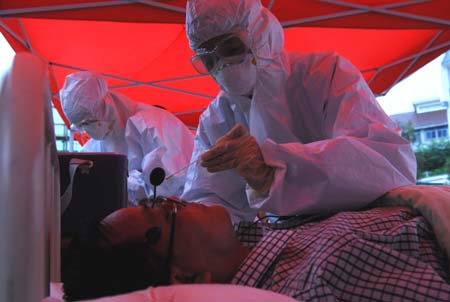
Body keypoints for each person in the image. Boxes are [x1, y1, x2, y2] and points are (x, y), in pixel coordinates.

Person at [181, 0, 417, 223]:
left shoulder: (325, 74)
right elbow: (209, 202)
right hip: (291, 246)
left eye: (231, 47)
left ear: (259, 34)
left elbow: (388, 164)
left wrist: (274, 168)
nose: (222, 64)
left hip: (364, 228)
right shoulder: (217, 118)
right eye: (208, 59)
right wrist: (187, 221)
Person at [61, 193, 450, 301]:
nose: (177, 198)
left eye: (161, 197)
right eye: (164, 211)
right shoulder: (325, 274)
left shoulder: (265, 235)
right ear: (186, 276)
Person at [60, 71, 195, 203]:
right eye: (81, 127)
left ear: (105, 106)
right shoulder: (101, 141)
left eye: (88, 123)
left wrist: (114, 183)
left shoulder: (152, 125)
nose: (87, 130)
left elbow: (166, 187)